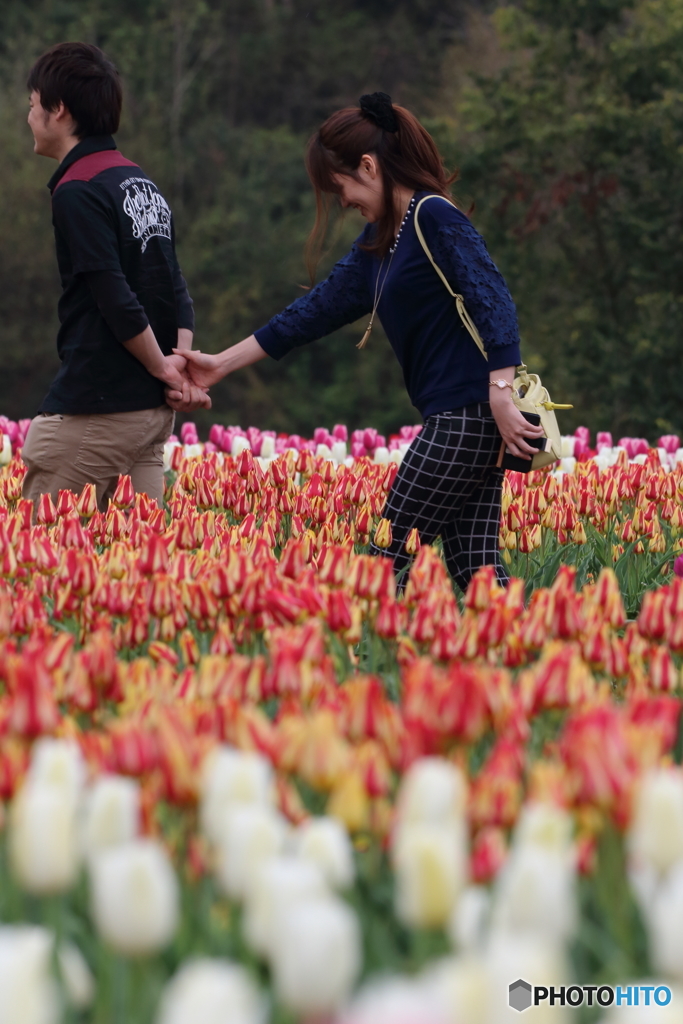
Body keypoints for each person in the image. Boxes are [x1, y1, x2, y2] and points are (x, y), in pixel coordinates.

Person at [175, 92, 543, 590]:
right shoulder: (381, 242)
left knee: (382, 563)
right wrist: (220, 363)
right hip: (461, 418)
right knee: (476, 572)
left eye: (340, 185)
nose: (341, 200)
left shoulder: (434, 217)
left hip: (468, 416)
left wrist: (500, 394)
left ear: (368, 165)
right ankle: (539, 660)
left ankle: (359, 658)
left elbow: (494, 300)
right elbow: (313, 312)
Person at [21, 41, 208, 513]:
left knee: (37, 564)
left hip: (95, 408)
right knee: (142, 570)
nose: (28, 117)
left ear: (58, 109)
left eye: (31, 104)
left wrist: (164, 367)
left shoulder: (77, 189)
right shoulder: (136, 179)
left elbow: (113, 294)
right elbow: (174, 285)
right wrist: (177, 363)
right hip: (149, 414)